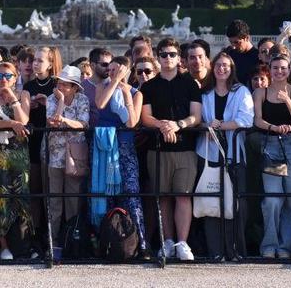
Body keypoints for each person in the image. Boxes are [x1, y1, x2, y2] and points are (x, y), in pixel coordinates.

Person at [140, 38, 202, 261]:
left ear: (179, 58)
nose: (168, 58)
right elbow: (145, 117)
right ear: (158, 57)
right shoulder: (149, 86)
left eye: (172, 54)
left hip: (185, 148)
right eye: (164, 54)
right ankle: (167, 241)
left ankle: (182, 243)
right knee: (163, 198)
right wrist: (163, 125)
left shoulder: (190, 84)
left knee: (183, 196)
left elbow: (197, 115)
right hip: (157, 149)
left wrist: (179, 125)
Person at [197, 51, 254, 260]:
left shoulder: (242, 92)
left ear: (232, 69)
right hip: (209, 153)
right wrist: (206, 127)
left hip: (234, 154)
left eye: (226, 66)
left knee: (236, 202)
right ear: (213, 68)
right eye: (219, 65)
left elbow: (245, 119)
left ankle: (236, 250)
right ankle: (215, 251)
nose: (222, 69)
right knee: (212, 202)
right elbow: (198, 120)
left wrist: (218, 127)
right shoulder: (204, 93)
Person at [95, 55, 149, 258]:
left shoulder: (136, 93)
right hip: (104, 146)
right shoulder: (103, 86)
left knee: (131, 193)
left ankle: (140, 242)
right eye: (110, 69)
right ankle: (106, 242)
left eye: (116, 70)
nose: (111, 73)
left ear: (127, 71)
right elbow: (100, 104)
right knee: (105, 192)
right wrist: (115, 82)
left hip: (125, 146)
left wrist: (126, 93)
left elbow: (132, 123)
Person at [0, 61, 33, 261]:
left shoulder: (23, 95)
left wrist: (12, 99)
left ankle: (23, 243)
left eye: (7, 76)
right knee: (0, 198)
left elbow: (25, 120)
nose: (2, 80)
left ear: (16, 76)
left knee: (21, 197)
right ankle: (3, 246)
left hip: (19, 153)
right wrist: (11, 124)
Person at [253, 55, 291, 259]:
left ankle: (285, 246)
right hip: (271, 146)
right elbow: (257, 120)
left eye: (283, 68)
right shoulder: (261, 92)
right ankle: (270, 243)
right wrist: (274, 127)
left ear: (290, 69)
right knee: (273, 199)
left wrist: (287, 101)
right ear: (269, 69)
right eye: (275, 68)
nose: (279, 72)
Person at [43, 66, 89, 248]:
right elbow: (52, 121)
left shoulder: (83, 100)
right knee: (54, 200)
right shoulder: (51, 99)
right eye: (59, 83)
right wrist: (61, 101)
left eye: (65, 84)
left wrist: (64, 121)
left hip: (75, 156)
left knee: (73, 200)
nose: (60, 87)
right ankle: (52, 242)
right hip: (54, 155)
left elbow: (84, 123)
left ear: (75, 87)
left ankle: (72, 240)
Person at [25, 46, 61, 235]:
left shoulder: (57, 85)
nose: (35, 64)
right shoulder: (28, 86)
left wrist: (48, 103)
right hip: (34, 139)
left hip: (53, 140)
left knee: (52, 190)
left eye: (40, 60)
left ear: (50, 63)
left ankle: (53, 233)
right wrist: (28, 105)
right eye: (34, 60)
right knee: (35, 190)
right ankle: (36, 232)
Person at [225, 20, 259, 86]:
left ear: (247, 38)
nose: (233, 47)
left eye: (237, 42)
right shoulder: (229, 54)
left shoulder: (258, 57)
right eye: (231, 42)